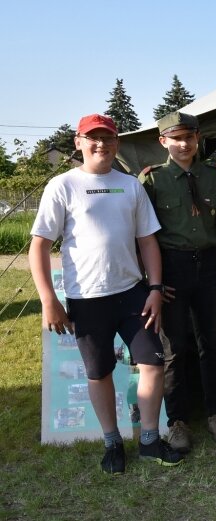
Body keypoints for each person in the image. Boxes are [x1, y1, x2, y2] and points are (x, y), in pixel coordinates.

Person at [29, 113, 183, 473]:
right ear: (78, 143)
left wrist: (155, 288)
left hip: (132, 294)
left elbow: (147, 240)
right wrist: (49, 300)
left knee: (153, 363)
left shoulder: (130, 185)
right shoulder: (62, 186)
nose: (102, 144)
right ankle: (112, 442)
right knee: (98, 373)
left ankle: (148, 439)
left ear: (117, 143)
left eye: (109, 138)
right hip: (87, 299)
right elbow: (39, 246)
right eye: (93, 138)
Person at [138, 111, 216, 453]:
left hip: (210, 268)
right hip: (172, 270)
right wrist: (152, 281)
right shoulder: (152, 181)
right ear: (163, 141)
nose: (184, 144)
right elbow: (141, 235)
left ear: (198, 138)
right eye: (176, 138)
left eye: (189, 137)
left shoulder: (213, 177)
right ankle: (177, 421)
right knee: (174, 347)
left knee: (211, 342)